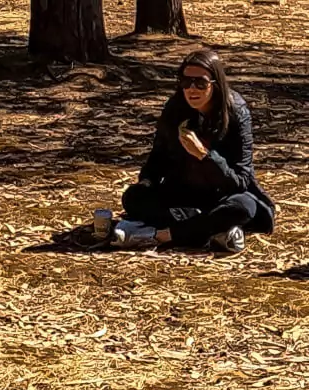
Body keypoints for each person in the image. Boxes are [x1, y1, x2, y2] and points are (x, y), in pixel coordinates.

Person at [115, 49, 275, 254]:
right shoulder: (175, 109)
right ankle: (211, 229)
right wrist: (146, 186)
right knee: (132, 198)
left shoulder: (236, 112)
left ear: (215, 84)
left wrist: (205, 155)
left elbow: (241, 180)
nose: (192, 89)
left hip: (223, 194)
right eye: (185, 82)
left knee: (242, 208)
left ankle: (164, 235)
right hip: (182, 194)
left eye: (200, 83)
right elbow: (156, 160)